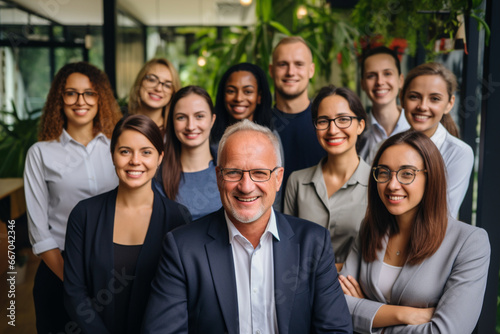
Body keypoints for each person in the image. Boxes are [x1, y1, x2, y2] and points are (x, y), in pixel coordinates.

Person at [142, 119, 352, 334]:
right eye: (233, 172)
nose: (246, 187)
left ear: (278, 178)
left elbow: (334, 330)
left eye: (260, 173)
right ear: (218, 177)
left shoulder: (314, 243)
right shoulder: (182, 248)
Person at [339, 130, 490, 333]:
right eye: (383, 172)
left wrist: (371, 320)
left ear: (431, 177)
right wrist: (404, 314)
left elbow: (446, 331)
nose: (392, 185)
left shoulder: (470, 242)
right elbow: (337, 304)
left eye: (407, 174)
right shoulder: (370, 226)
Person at [64, 115, 190, 333]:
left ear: (160, 157)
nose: (135, 161)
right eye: (125, 151)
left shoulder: (178, 217)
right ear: (113, 155)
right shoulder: (83, 214)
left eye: (146, 152)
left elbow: (183, 296)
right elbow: (74, 291)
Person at [24, 61, 121, 333]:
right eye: (71, 93)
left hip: (114, 268)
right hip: (60, 268)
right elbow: (39, 232)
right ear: (60, 98)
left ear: (100, 98)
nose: (81, 101)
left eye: (89, 93)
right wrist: (74, 283)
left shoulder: (119, 148)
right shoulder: (40, 153)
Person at [284, 85, 369, 270]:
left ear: (360, 125)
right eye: (323, 121)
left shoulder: (377, 183)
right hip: (303, 286)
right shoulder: (296, 181)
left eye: (343, 119)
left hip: (357, 289)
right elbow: (287, 247)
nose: (332, 130)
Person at [401, 62, 473, 217]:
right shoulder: (387, 146)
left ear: (449, 104)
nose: (423, 106)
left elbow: (442, 214)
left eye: (434, 99)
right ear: (402, 99)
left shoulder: (459, 153)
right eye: (414, 97)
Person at [269, 36, 326, 190]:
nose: (291, 72)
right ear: (271, 70)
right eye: (282, 64)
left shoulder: (327, 123)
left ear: (311, 70)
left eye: (299, 64)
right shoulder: (259, 125)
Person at [159, 85, 222, 219]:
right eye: (181, 117)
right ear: (172, 122)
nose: (191, 126)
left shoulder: (230, 169)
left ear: (212, 120)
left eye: (199, 116)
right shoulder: (157, 175)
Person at [358, 46, 410, 162]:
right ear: (362, 84)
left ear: (400, 80)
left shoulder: (417, 127)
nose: (380, 82)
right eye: (371, 76)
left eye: (387, 73)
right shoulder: (356, 133)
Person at [127, 58, 181, 134]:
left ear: (173, 93)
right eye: (152, 80)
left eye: (167, 85)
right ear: (140, 81)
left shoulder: (176, 132)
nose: (158, 88)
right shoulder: (117, 121)